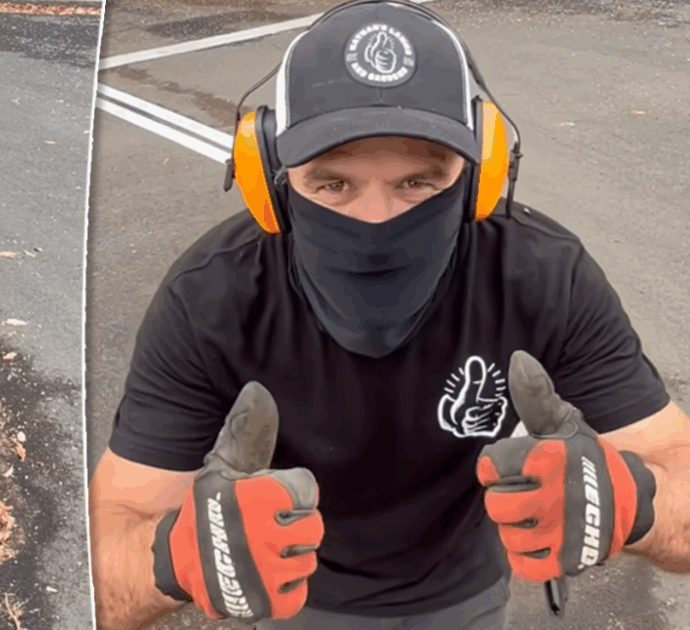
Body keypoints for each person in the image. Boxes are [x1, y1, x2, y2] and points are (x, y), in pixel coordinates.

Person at [88, 1, 690, 629]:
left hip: (467, 596)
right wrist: (171, 561)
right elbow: (105, 554)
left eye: (417, 184)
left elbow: (678, 473)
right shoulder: (211, 300)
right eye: (332, 184)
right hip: (291, 592)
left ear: (479, 178)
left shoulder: (543, 278)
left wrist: (636, 502)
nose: (377, 221)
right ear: (269, 180)